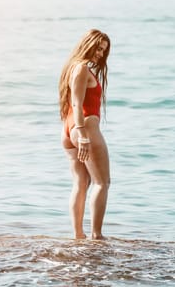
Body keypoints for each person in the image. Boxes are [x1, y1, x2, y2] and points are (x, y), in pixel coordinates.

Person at [58, 29, 111, 240]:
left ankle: (78, 236)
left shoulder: (72, 67)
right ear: (88, 44)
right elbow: (77, 104)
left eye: (103, 51)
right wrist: (83, 135)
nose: (99, 54)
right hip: (84, 128)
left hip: (68, 130)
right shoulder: (81, 69)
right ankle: (97, 236)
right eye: (98, 48)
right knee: (102, 182)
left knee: (81, 182)